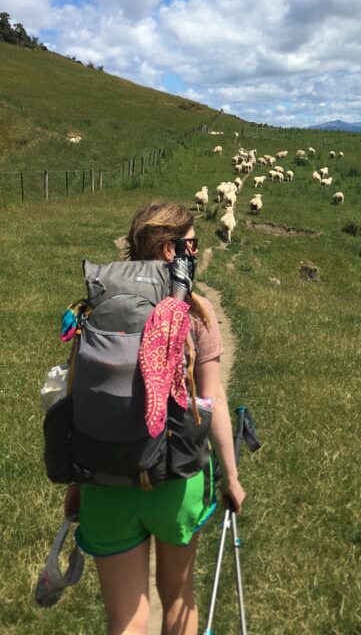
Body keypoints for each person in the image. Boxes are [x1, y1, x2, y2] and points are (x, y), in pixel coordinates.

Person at [63, 202, 246, 635]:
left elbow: (77, 396)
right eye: (192, 244)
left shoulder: (95, 309)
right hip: (175, 480)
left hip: (104, 481)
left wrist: (76, 482)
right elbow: (212, 398)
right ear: (169, 251)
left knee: (126, 621)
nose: (196, 252)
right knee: (179, 601)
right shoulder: (195, 311)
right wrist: (231, 478)